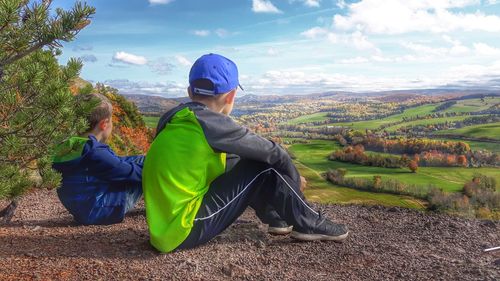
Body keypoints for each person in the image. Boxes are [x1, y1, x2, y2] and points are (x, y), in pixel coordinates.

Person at [143, 53, 348, 253]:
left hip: (164, 229)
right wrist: (294, 182)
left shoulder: (177, 118)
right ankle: (310, 222)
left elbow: (230, 163)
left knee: (240, 160)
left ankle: (276, 218)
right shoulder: (211, 123)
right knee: (261, 165)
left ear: (189, 92)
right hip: (184, 230)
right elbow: (275, 153)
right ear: (231, 95)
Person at [52, 93, 143, 225]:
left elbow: (114, 164)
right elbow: (128, 173)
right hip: (103, 209)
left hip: (82, 209)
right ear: (104, 124)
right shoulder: (94, 152)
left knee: (135, 161)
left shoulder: (65, 147)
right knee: (145, 166)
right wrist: (154, 168)